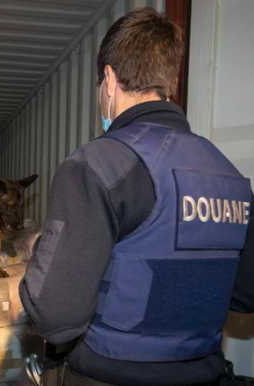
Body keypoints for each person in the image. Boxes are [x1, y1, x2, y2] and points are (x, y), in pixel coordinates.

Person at [19, 7, 254, 386]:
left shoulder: (96, 165)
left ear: (109, 80)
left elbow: (56, 318)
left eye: (100, 86)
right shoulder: (228, 175)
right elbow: (246, 295)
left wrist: (40, 251)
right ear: (169, 78)